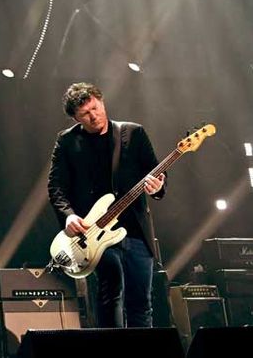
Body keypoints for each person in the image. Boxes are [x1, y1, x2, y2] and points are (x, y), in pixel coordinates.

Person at [47, 82, 165, 328]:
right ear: (76, 119)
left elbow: (155, 173)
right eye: (84, 115)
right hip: (95, 232)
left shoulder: (133, 133)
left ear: (102, 101)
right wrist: (68, 216)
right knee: (111, 293)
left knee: (141, 303)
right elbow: (56, 186)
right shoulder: (67, 142)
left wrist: (158, 188)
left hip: (135, 230)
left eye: (95, 108)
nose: (93, 116)